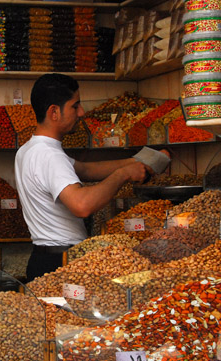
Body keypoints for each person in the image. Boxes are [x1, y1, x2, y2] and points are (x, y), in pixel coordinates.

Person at [15, 73, 170, 282]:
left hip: (43, 258)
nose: (81, 112)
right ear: (54, 112)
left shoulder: (29, 149)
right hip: (61, 261)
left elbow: (86, 170)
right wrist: (123, 174)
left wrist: (140, 160)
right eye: (75, 105)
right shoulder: (49, 156)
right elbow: (82, 205)